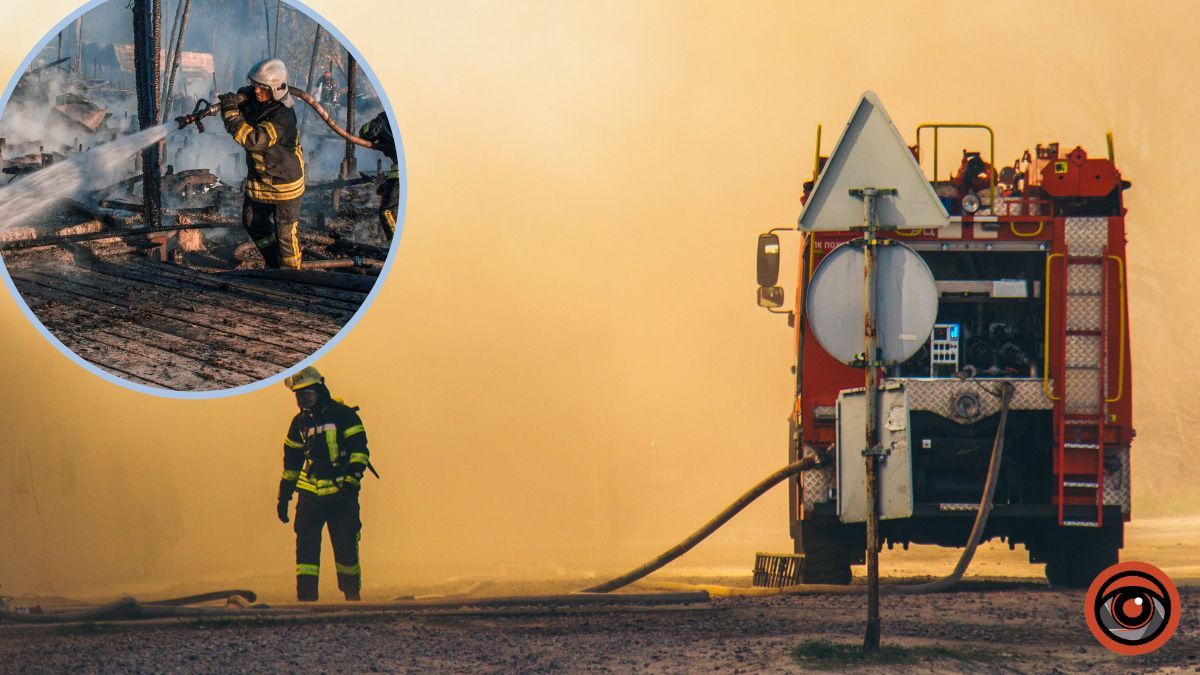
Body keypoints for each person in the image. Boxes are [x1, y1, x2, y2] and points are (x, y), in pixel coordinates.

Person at [276, 366, 370, 601]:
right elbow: (291, 464)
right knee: (306, 554)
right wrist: (284, 497)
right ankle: (306, 601)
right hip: (310, 498)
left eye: (307, 395)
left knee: (346, 549)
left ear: (320, 390)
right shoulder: (299, 423)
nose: (302, 401)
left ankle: (352, 597)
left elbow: (360, 453)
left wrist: (350, 485)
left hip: (341, 496)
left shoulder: (344, 415)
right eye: (298, 396)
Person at [219, 58, 306, 269]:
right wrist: (239, 98)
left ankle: (292, 276)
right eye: (255, 85)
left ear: (276, 89)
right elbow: (248, 109)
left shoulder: (282, 116)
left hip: (285, 183)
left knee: (285, 232)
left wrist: (230, 113)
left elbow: (254, 141)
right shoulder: (259, 103)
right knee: (252, 222)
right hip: (260, 180)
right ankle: (273, 263)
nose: (257, 91)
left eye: (263, 88)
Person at [358, 111, 399, 241]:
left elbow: (365, 133)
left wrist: (377, 119)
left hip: (401, 173)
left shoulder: (384, 118)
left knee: (386, 212)